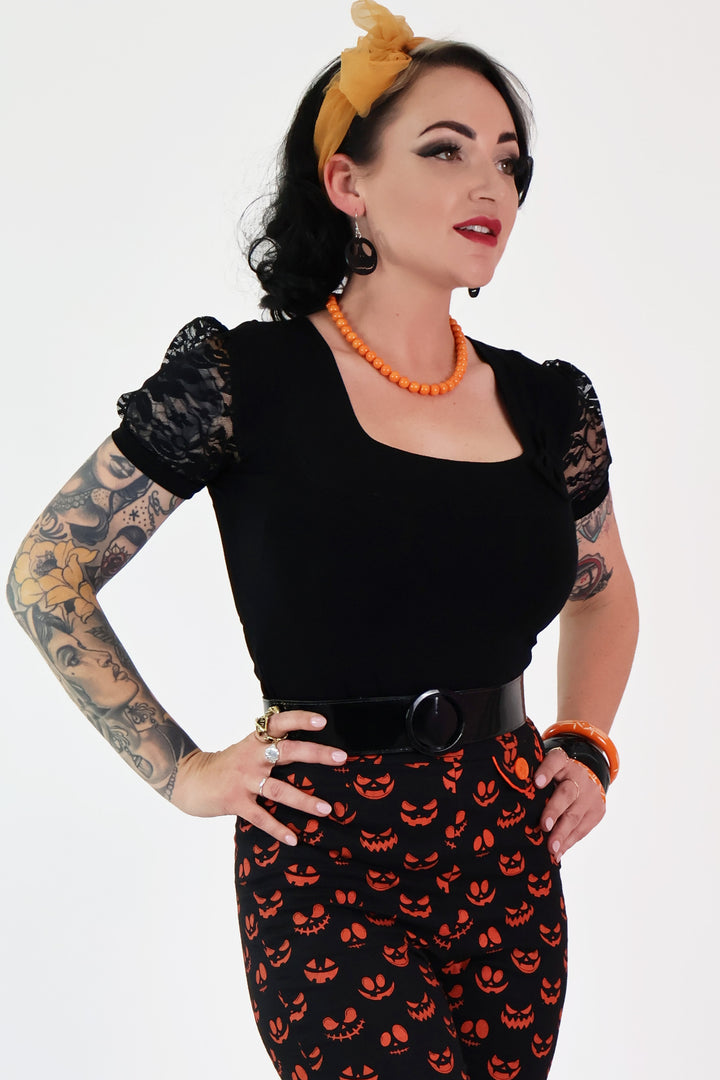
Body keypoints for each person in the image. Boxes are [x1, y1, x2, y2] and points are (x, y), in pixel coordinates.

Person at [7, 3, 638, 1077]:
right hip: (323, 854)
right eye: (445, 150)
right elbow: (49, 573)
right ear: (348, 182)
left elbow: (604, 590)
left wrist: (585, 743)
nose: (490, 185)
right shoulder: (242, 383)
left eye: (508, 161)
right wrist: (185, 772)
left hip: (507, 855)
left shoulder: (548, 405)